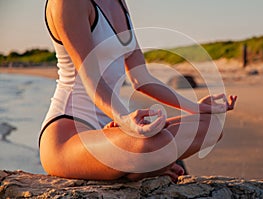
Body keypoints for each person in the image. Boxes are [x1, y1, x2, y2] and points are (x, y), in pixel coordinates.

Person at [39, 0, 237, 182]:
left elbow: (141, 78)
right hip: (69, 136)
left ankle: (139, 166)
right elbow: (92, 79)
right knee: (159, 143)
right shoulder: (68, 3)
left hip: (114, 129)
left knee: (211, 126)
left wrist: (196, 107)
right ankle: (142, 165)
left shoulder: (120, 3)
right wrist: (125, 119)